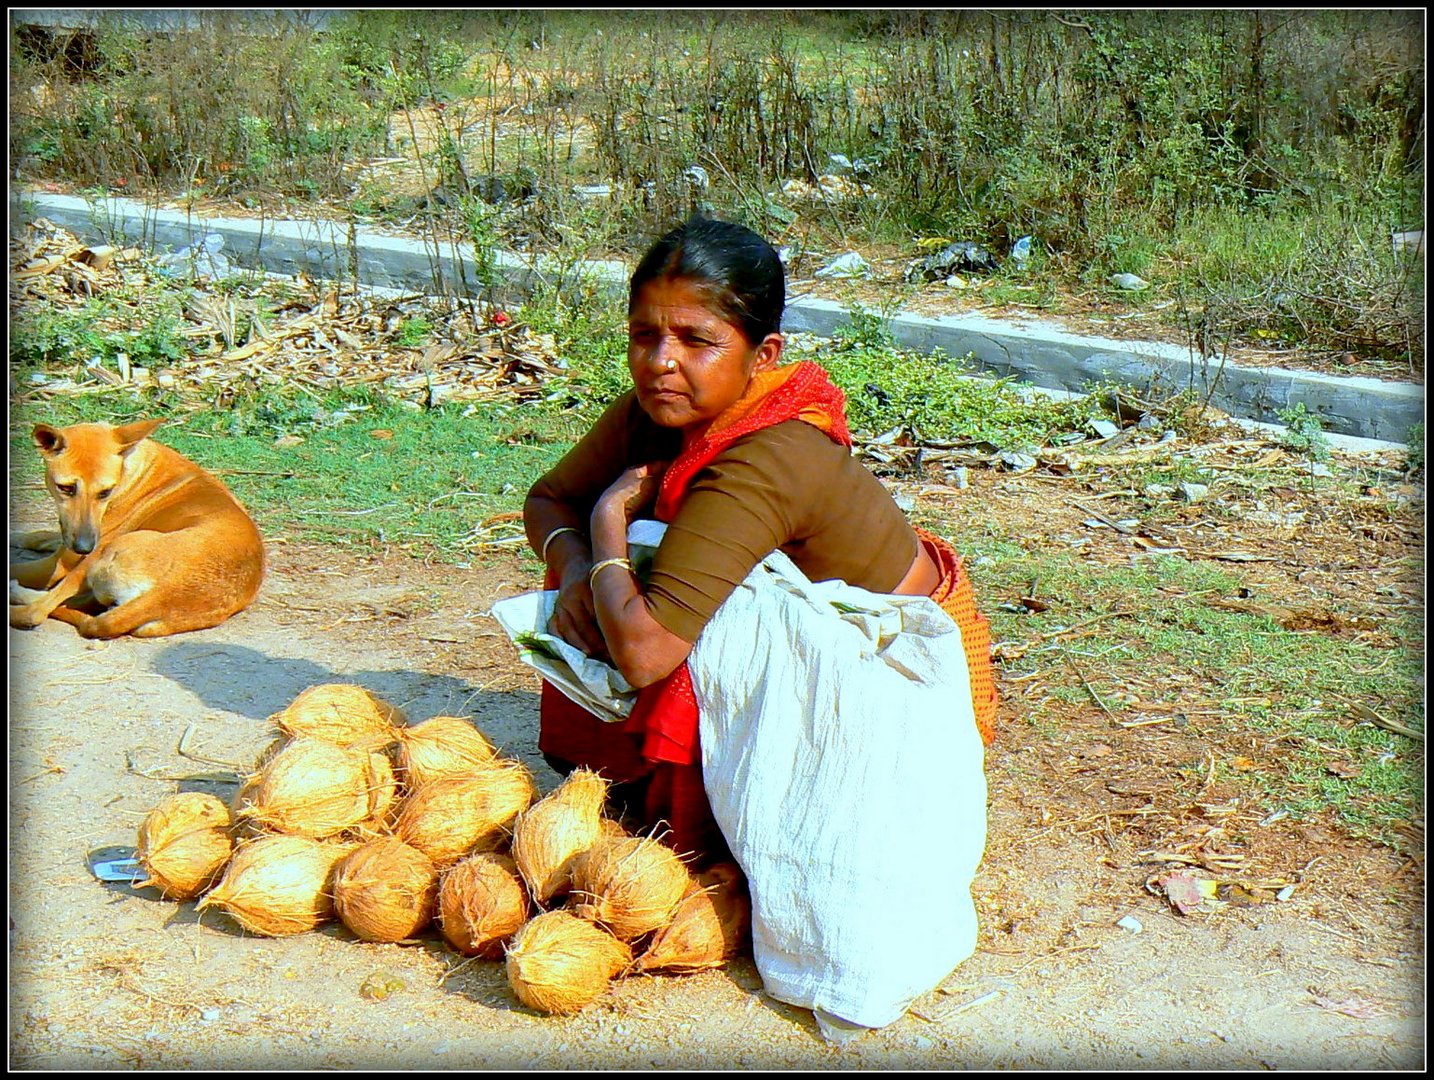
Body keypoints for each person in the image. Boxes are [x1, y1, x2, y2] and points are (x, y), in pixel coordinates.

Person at [523, 215, 997, 863]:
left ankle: (703, 811)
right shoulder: (660, 410)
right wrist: (577, 565)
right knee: (598, 563)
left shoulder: (765, 457)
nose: (662, 361)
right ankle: (648, 778)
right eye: (645, 335)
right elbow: (549, 501)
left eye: (698, 340)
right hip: (796, 640)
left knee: (643, 580)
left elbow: (644, 652)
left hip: (892, 678)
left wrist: (607, 525)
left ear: (763, 355)